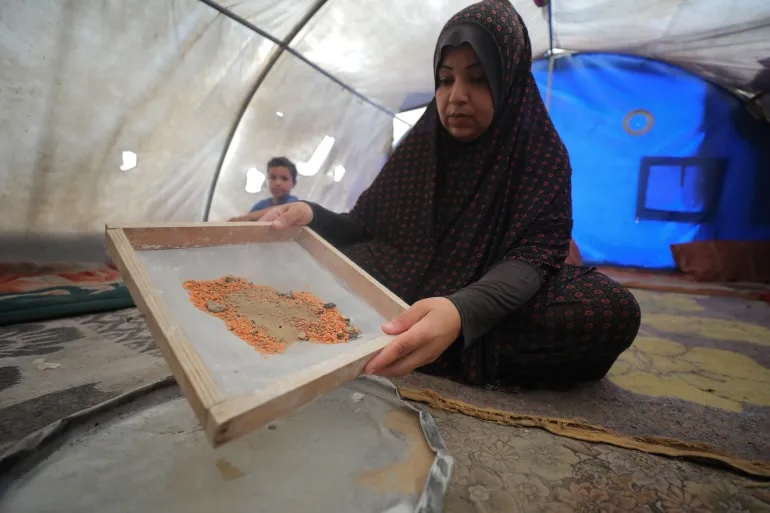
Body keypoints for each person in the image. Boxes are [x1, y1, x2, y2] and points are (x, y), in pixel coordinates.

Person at [263, 1, 641, 389]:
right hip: (404, 278)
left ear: (508, 80)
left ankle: (426, 334)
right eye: (445, 80)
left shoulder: (540, 153)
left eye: (477, 79)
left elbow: (534, 258)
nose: (456, 95)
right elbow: (361, 227)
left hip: (488, 295)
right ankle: (422, 336)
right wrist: (309, 213)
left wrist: (461, 311)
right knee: (318, 264)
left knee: (609, 310)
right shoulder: (420, 145)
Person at [229, 157, 299, 222]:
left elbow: (282, 209)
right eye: (273, 177)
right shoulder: (261, 205)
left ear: (294, 183)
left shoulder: (294, 203)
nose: (277, 183)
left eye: (284, 178)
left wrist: (248, 217)